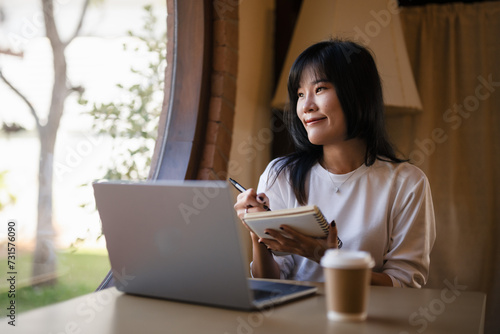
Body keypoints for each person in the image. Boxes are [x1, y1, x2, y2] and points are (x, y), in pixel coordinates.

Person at [234, 39, 436, 288]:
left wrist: (326, 257)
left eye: (319, 89)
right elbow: (272, 282)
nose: (306, 106)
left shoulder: (407, 183)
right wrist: (258, 233)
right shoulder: (280, 174)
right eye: (299, 94)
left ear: (357, 93)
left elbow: (404, 284)